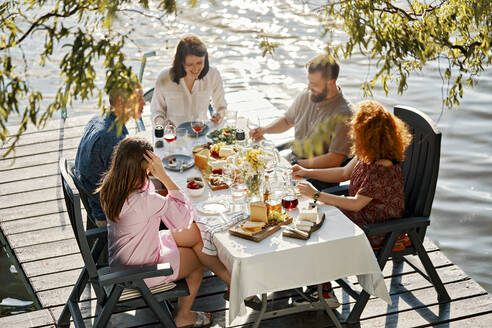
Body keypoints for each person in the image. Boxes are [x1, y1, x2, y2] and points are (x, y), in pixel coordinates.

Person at [98, 137, 232, 328]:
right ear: (143, 170)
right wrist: (163, 175)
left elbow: (183, 224)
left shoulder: (109, 187)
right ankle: (184, 316)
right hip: (140, 272)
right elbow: (182, 215)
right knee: (196, 261)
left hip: (128, 255)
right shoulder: (145, 201)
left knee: (195, 233)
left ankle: (229, 280)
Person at [291, 100, 412, 306]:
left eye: (358, 131)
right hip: (360, 215)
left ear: (369, 137)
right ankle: (315, 281)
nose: (353, 135)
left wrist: (317, 195)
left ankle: (324, 292)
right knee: (311, 215)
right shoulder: (368, 154)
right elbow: (344, 172)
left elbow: (356, 204)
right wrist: (307, 172)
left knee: (317, 224)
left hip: (375, 228)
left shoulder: (382, 167)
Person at [250, 54, 353, 172]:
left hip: (317, 176)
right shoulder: (306, 96)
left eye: (314, 84)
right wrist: (264, 130)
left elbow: (334, 159)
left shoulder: (345, 115)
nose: (309, 87)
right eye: (309, 81)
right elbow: (287, 121)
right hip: (291, 163)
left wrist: (296, 164)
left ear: (331, 82)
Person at [74, 81, 145, 227]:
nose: (144, 103)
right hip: (106, 212)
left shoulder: (99, 118)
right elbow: (124, 190)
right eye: (138, 99)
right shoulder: (113, 138)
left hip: (93, 196)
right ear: (121, 102)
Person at [151, 35, 227, 127]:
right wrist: (163, 123)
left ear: (205, 58)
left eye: (199, 63)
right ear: (181, 62)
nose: (196, 69)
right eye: (190, 64)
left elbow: (221, 107)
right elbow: (156, 111)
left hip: (201, 133)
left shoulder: (213, 75)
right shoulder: (165, 77)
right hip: (173, 135)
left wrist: (219, 115)